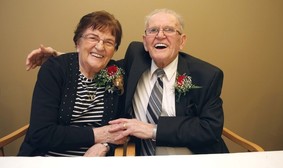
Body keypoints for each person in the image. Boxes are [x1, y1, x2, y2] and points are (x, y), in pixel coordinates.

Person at [25, 8, 229, 156]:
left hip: (194, 157)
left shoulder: (206, 75)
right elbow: (96, 59)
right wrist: (60, 57)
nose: (160, 35)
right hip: (140, 160)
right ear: (145, 42)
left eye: (169, 30)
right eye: (153, 30)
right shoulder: (134, 60)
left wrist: (152, 130)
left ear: (182, 40)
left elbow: (210, 128)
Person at [19, 11, 128, 156]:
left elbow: (119, 129)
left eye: (108, 42)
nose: (100, 47)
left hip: (94, 163)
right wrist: (98, 135)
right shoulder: (55, 69)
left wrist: (105, 145)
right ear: (78, 43)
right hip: (46, 160)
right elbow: (41, 133)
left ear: (114, 50)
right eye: (93, 38)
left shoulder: (116, 74)